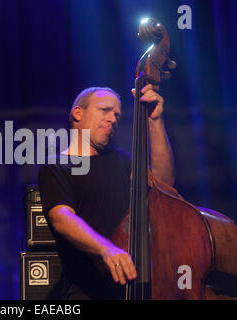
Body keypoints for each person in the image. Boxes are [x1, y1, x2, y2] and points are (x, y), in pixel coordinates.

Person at [37, 84, 175, 299]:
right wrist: (107, 249)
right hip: (85, 290)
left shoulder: (124, 161)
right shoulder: (57, 166)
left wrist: (155, 121)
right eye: (104, 110)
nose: (112, 119)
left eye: (117, 115)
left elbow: (163, 187)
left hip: (132, 285)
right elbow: (62, 218)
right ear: (78, 113)